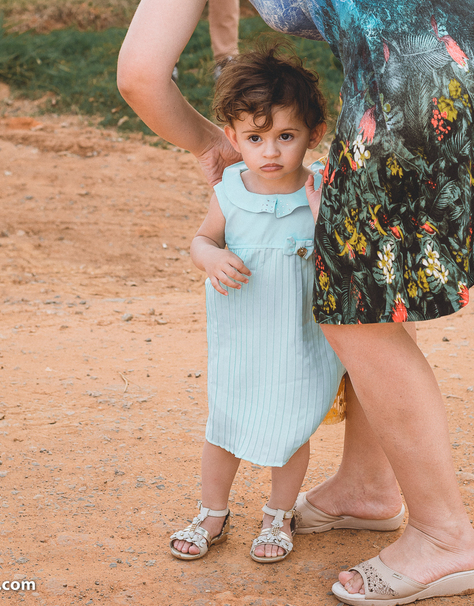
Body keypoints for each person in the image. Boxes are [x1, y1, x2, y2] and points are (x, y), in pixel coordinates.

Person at [117, 0, 474, 603]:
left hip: (426, 66)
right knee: (373, 291)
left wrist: (210, 140)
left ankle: (443, 536)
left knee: (355, 311)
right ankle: (365, 486)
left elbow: (139, 72)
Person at [168, 47, 345, 564]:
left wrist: (324, 217)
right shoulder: (231, 191)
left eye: (285, 137)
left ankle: (277, 514)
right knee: (224, 424)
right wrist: (212, 258)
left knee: (290, 427)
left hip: (298, 339)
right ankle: (213, 512)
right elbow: (200, 241)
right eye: (254, 138)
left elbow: (346, 259)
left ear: (314, 133)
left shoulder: (320, 190)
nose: (270, 152)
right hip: (241, 336)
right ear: (232, 137)